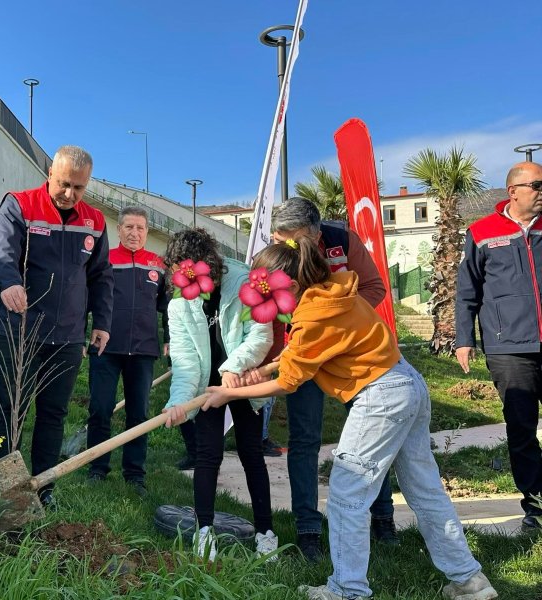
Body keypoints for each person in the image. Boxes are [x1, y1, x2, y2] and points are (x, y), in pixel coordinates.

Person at [203, 238, 498, 600]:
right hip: (407, 383)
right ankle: (469, 580)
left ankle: (347, 589)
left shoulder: (311, 316)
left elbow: (289, 382)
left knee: (347, 493)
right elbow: (303, 354)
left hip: (380, 398)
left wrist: (228, 394)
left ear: (290, 287)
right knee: (424, 489)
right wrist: (261, 370)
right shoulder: (331, 294)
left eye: (266, 291)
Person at [270, 197, 397, 560]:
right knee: (303, 438)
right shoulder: (276, 252)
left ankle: (383, 517)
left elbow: (374, 287)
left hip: (349, 357)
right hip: (304, 350)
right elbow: (268, 303)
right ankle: (307, 529)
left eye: (290, 239)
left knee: (369, 438)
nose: (282, 246)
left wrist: (339, 327)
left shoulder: (343, 240)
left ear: (314, 233)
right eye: (277, 239)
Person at [0, 145, 113, 507]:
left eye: (79, 188)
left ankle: (43, 491)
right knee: (10, 409)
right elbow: (2, 250)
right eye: (64, 184)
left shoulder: (95, 222)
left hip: (67, 337)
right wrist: (9, 282)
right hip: (19, 330)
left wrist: (102, 322)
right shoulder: (20, 205)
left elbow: (101, 276)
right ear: (50, 174)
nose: (70, 194)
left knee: (53, 415)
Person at [161, 229, 278, 562]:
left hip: (245, 377)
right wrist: (178, 403)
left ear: (207, 264)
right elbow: (185, 361)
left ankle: (265, 532)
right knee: (207, 454)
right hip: (208, 386)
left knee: (251, 452)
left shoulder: (243, 281)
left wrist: (233, 368)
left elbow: (260, 336)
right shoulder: (178, 303)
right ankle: (204, 531)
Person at [456, 161, 542, 533]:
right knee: (521, 429)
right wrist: (464, 339)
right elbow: (467, 291)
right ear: (513, 191)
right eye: (537, 185)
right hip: (508, 349)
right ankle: (536, 507)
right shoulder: (481, 232)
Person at [86, 206, 168, 496]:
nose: (135, 233)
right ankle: (97, 468)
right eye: (129, 227)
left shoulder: (158, 265)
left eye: (140, 228)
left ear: (146, 231)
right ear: (119, 230)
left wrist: (170, 338)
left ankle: (135, 474)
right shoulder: (104, 260)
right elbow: (85, 298)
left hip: (143, 351)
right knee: (100, 409)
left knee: (139, 414)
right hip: (105, 349)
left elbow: (169, 307)